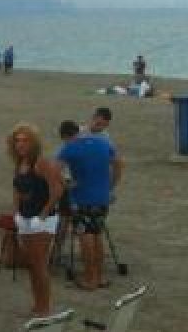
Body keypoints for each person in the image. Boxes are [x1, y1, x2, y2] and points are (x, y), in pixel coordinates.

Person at [58, 121, 123, 290]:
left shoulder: (68, 149)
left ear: (65, 136)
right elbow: (118, 164)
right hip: (102, 198)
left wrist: (66, 185)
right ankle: (99, 277)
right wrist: (111, 185)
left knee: (85, 236)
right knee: (97, 234)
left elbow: (54, 171)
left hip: (82, 199)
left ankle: (89, 278)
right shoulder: (103, 143)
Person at [8, 123, 64, 316]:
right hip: (24, 218)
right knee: (32, 264)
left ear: (34, 143)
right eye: (17, 140)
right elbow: (17, 188)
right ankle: (37, 304)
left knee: (39, 265)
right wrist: (15, 212)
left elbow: (57, 189)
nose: (20, 144)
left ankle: (44, 308)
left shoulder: (42, 163)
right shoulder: (19, 163)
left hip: (42, 220)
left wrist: (43, 213)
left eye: (25, 140)